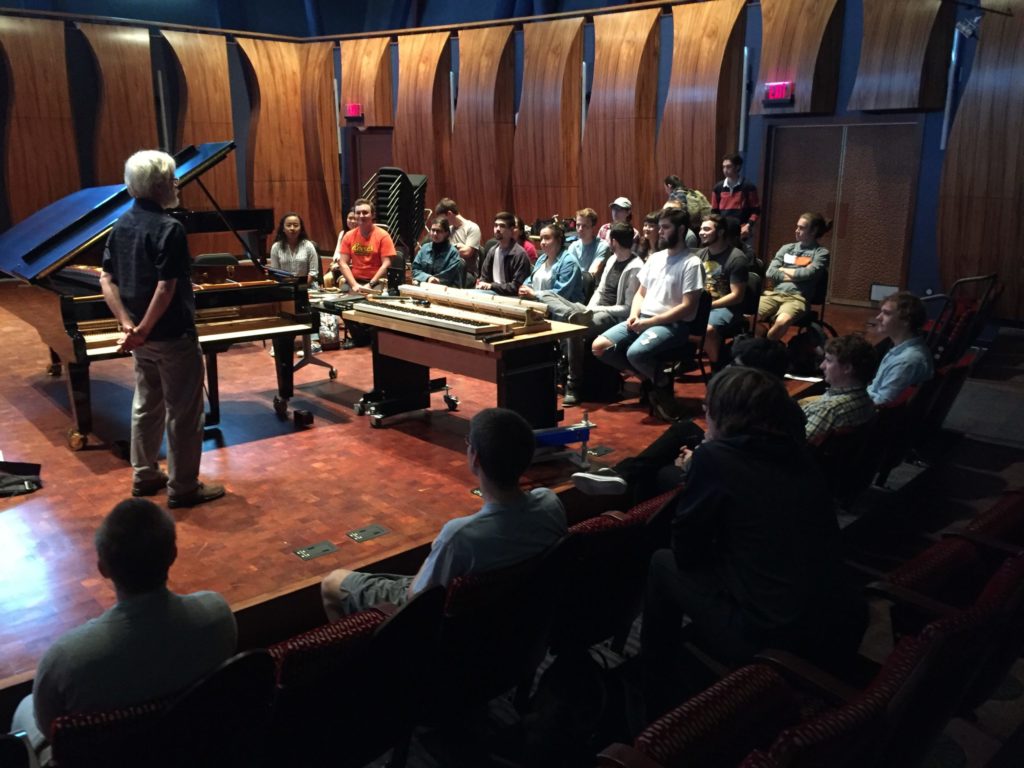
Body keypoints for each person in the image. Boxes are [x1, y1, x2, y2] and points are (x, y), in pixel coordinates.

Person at [640, 367, 866, 717]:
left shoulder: (715, 458)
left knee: (661, 562)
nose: (704, 414)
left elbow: (686, 551)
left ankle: (654, 679)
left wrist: (703, 465)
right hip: (839, 622)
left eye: (708, 408)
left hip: (774, 636)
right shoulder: (800, 453)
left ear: (724, 415)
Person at [10, 498, 237, 754]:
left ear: (103, 568)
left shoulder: (66, 659)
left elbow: (48, 728)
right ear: (173, 554)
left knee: (24, 708)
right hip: (195, 748)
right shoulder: (217, 614)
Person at [320, 408, 567, 619]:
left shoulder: (459, 537)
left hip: (440, 632)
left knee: (332, 582)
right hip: (518, 628)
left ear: (475, 458)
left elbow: (416, 600)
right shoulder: (550, 503)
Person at [99, 150, 223, 508]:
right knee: (184, 413)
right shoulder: (170, 228)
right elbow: (166, 287)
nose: (176, 185)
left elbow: (107, 280)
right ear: (159, 185)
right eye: (172, 180)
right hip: (171, 337)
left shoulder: (120, 224)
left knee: (145, 405)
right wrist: (144, 328)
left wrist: (130, 327)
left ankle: (145, 475)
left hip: (141, 339)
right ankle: (183, 488)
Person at [570, 336, 788, 501]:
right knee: (683, 429)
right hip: (728, 460)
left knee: (658, 474)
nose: (729, 369)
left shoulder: (759, 410)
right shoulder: (774, 400)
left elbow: (736, 463)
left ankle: (635, 523)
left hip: (732, 481)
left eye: (737, 365)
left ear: (756, 373)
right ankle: (621, 474)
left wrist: (695, 460)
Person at [592, 207, 706, 421]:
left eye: (665, 227)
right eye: (659, 227)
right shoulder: (655, 258)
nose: (659, 232)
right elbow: (640, 293)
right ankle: (652, 379)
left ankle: (660, 384)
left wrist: (649, 322)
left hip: (673, 326)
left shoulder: (692, 263)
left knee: (635, 354)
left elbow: (687, 307)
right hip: (643, 320)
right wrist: (634, 314)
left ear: (681, 230)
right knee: (599, 347)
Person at [538, 223, 643, 406]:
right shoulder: (612, 260)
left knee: (575, 328)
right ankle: (575, 315)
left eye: (609, 238)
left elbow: (626, 309)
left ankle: (574, 384)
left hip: (611, 316)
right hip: (590, 311)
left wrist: (594, 311)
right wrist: (588, 309)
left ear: (614, 241)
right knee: (545, 294)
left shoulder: (635, 267)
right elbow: (600, 291)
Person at [758, 212, 831, 340]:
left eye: (802, 228)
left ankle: (767, 348)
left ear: (814, 231)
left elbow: (809, 273)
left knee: (781, 322)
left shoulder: (821, 253)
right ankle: (765, 341)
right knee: (746, 317)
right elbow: (770, 272)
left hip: (797, 298)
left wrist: (783, 270)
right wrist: (798, 274)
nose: (796, 231)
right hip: (773, 295)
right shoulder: (787, 248)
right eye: (797, 227)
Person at [801, 334, 877, 443]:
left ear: (847, 368)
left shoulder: (829, 410)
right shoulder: (867, 401)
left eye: (828, 360)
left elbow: (796, 446)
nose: (822, 366)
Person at [697, 214, 749, 368]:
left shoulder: (736, 258)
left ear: (720, 232)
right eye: (701, 228)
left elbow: (737, 296)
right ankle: (686, 361)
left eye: (706, 229)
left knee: (708, 329)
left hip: (726, 307)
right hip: (703, 305)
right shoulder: (700, 254)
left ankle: (717, 367)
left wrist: (708, 306)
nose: (701, 232)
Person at [868, 291, 934, 404]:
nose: (878, 317)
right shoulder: (901, 350)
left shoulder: (906, 361)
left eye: (886, 313)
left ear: (906, 321)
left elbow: (882, 403)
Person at [329, 198, 396, 292]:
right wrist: (354, 284)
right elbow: (343, 263)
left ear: (372, 215)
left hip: (376, 281)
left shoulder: (383, 235)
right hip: (354, 281)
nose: (361, 216)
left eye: (365, 212)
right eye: (358, 213)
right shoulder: (348, 236)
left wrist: (370, 284)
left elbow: (386, 264)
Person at [518, 223, 584, 303]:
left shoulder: (569, 262)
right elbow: (531, 279)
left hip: (564, 310)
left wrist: (534, 294)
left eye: (547, 238)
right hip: (540, 304)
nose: (542, 242)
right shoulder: (542, 258)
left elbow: (561, 294)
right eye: (541, 238)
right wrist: (524, 287)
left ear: (558, 240)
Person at [476, 211, 532, 296]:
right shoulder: (492, 251)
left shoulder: (520, 254)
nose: (497, 229)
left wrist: (492, 286)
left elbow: (516, 287)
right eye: (495, 225)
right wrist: (482, 284)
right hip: (492, 293)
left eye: (502, 226)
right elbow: (484, 278)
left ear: (512, 230)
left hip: (512, 298)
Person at [710, 152, 760, 243]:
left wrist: (748, 225)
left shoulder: (748, 186)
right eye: (723, 167)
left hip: (742, 230)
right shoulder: (718, 188)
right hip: (723, 231)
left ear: (737, 167)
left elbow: (756, 210)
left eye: (729, 167)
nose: (725, 170)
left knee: (741, 254)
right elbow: (714, 211)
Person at [412, 215, 462, 286]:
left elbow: (448, 277)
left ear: (446, 233)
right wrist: (428, 278)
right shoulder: (424, 248)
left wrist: (430, 280)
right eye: (433, 230)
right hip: (425, 286)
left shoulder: (453, 252)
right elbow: (415, 269)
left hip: (446, 290)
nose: (435, 234)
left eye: (439, 231)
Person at [270, 212, 319, 284]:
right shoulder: (276, 247)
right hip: (285, 287)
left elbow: (313, 272)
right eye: (288, 225)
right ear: (283, 229)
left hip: (306, 287)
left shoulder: (308, 245)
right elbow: (275, 272)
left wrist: (301, 287)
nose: (292, 228)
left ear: (300, 228)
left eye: (296, 225)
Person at [568, 208, 611, 275]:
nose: (580, 229)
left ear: (593, 227)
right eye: (578, 225)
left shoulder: (602, 246)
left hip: (594, 284)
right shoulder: (573, 246)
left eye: (584, 226)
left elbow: (592, 273)